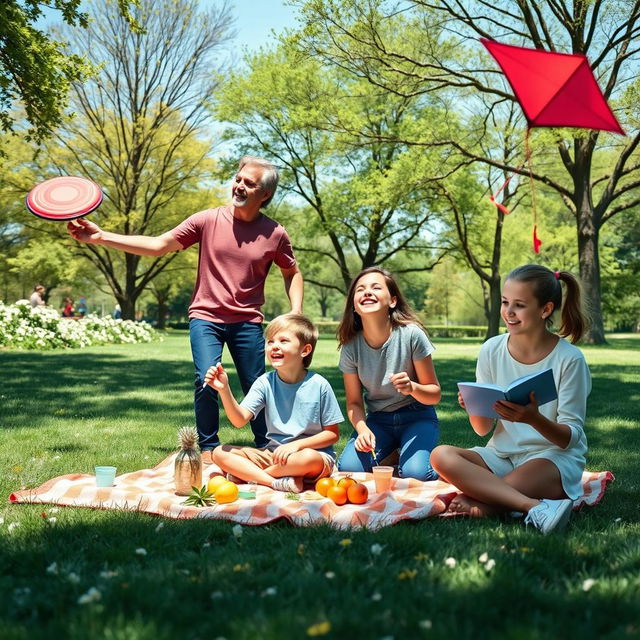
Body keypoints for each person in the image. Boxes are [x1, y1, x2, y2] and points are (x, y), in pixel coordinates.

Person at [67, 155, 303, 462]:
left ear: (265, 194)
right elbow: (159, 245)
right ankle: (208, 449)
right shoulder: (207, 220)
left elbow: (292, 272)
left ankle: (269, 444)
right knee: (206, 378)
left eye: (249, 183)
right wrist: (101, 236)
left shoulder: (274, 233)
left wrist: (294, 314)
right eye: (238, 179)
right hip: (206, 316)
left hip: (247, 321)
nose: (239, 185)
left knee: (257, 384)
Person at [431, 264, 591, 535]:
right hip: (501, 455)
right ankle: (532, 506)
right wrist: (474, 405)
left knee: (504, 483)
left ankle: (486, 500)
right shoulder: (491, 349)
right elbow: (482, 429)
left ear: (545, 309)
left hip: (551, 458)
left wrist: (534, 419)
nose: (508, 312)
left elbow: (570, 437)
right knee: (440, 455)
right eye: (505, 302)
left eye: (519, 305)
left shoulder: (569, 359)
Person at [207, 314, 343, 493]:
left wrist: (296, 445)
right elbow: (239, 420)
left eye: (284, 340)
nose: (275, 346)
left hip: (311, 456)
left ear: (305, 350)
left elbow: (332, 435)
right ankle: (274, 482)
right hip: (274, 455)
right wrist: (224, 389)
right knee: (219, 452)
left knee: (308, 458)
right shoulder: (264, 382)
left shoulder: (319, 384)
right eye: (270, 341)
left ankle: (251, 476)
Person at [336, 266, 441, 481]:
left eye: (376, 287)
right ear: (354, 306)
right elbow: (354, 402)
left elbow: (434, 394)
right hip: (379, 421)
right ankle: (393, 455)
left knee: (416, 473)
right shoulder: (350, 347)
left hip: (417, 416)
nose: (367, 292)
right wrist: (363, 429)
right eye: (360, 289)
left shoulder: (411, 335)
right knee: (349, 469)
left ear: (392, 301)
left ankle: (442, 462)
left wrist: (412, 387)